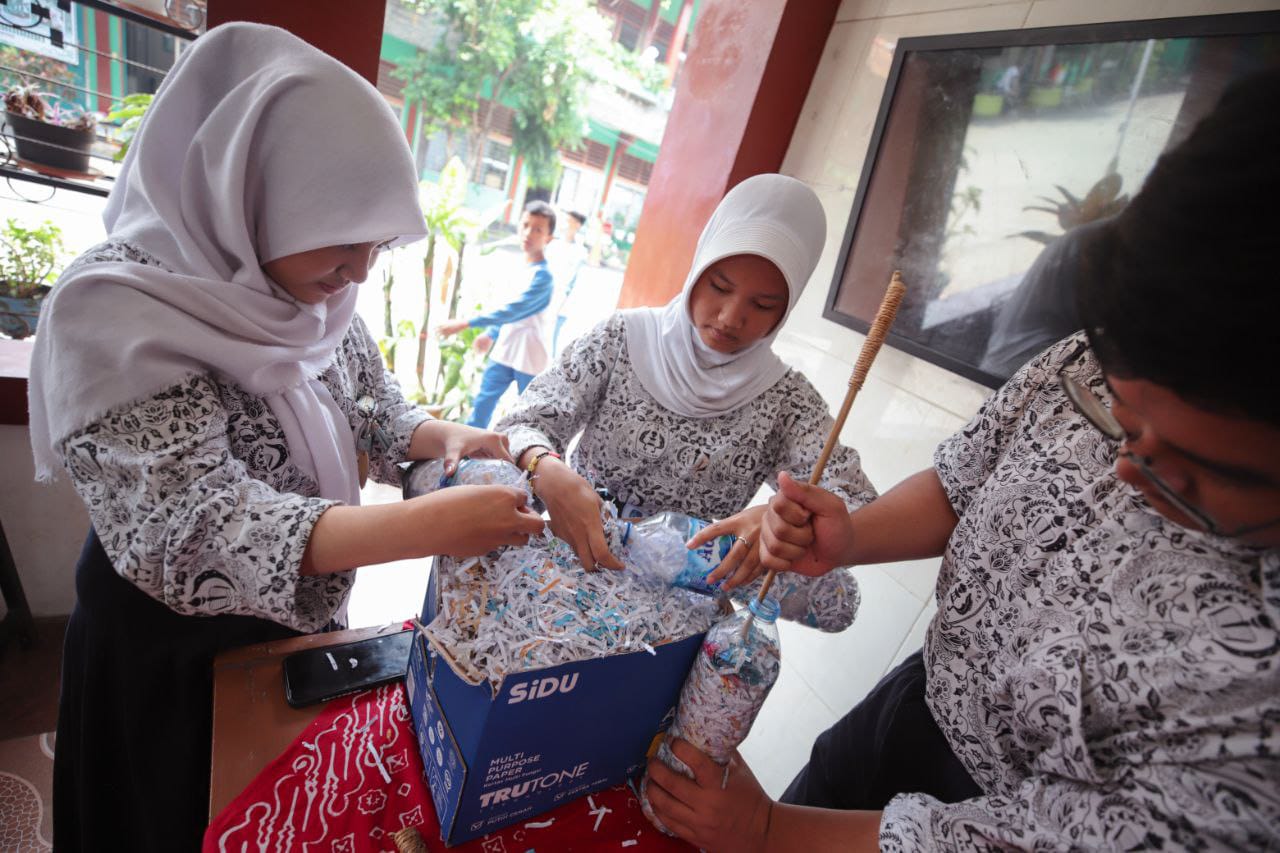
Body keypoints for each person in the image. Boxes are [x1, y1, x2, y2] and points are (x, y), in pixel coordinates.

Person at [642, 69, 1280, 851]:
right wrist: (848, 537)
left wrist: (772, 829)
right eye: (1115, 415)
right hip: (917, 699)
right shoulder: (1085, 358)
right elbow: (964, 480)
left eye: (1196, 469)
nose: (1125, 472)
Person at [27, 24, 544, 851]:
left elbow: (375, 412)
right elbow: (200, 524)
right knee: (160, 817)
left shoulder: (313, 295)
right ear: (259, 187)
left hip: (286, 637)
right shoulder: (116, 314)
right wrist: (432, 527)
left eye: (376, 245)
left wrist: (456, 438)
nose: (362, 272)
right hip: (165, 649)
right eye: (346, 238)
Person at [496, 173, 876, 584]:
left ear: (786, 310)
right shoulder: (623, 339)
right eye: (719, 286)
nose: (730, 318)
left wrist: (773, 519)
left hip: (680, 606)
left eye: (764, 304)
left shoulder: (787, 402)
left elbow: (861, 508)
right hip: (565, 573)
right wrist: (546, 467)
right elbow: (523, 423)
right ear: (698, 269)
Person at [437, 201, 556, 428]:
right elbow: (507, 306)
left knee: (528, 415)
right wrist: (491, 333)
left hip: (529, 355)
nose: (528, 233)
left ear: (548, 238)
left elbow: (514, 310)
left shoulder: (544, 278)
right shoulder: (519, 267)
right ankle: (469, 457)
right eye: (525, 225)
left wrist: (466, 323)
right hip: (505, 349)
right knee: (482, 404)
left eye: (538, 229)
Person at [547, 208, 588, 355]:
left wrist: (559, 304)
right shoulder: (553, 244)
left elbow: (573, 281)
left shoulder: (580, 251)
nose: (564, 223)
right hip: (545, 297)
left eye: (568, 220)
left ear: (577, 225)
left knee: (551, 339)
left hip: (561, 302)